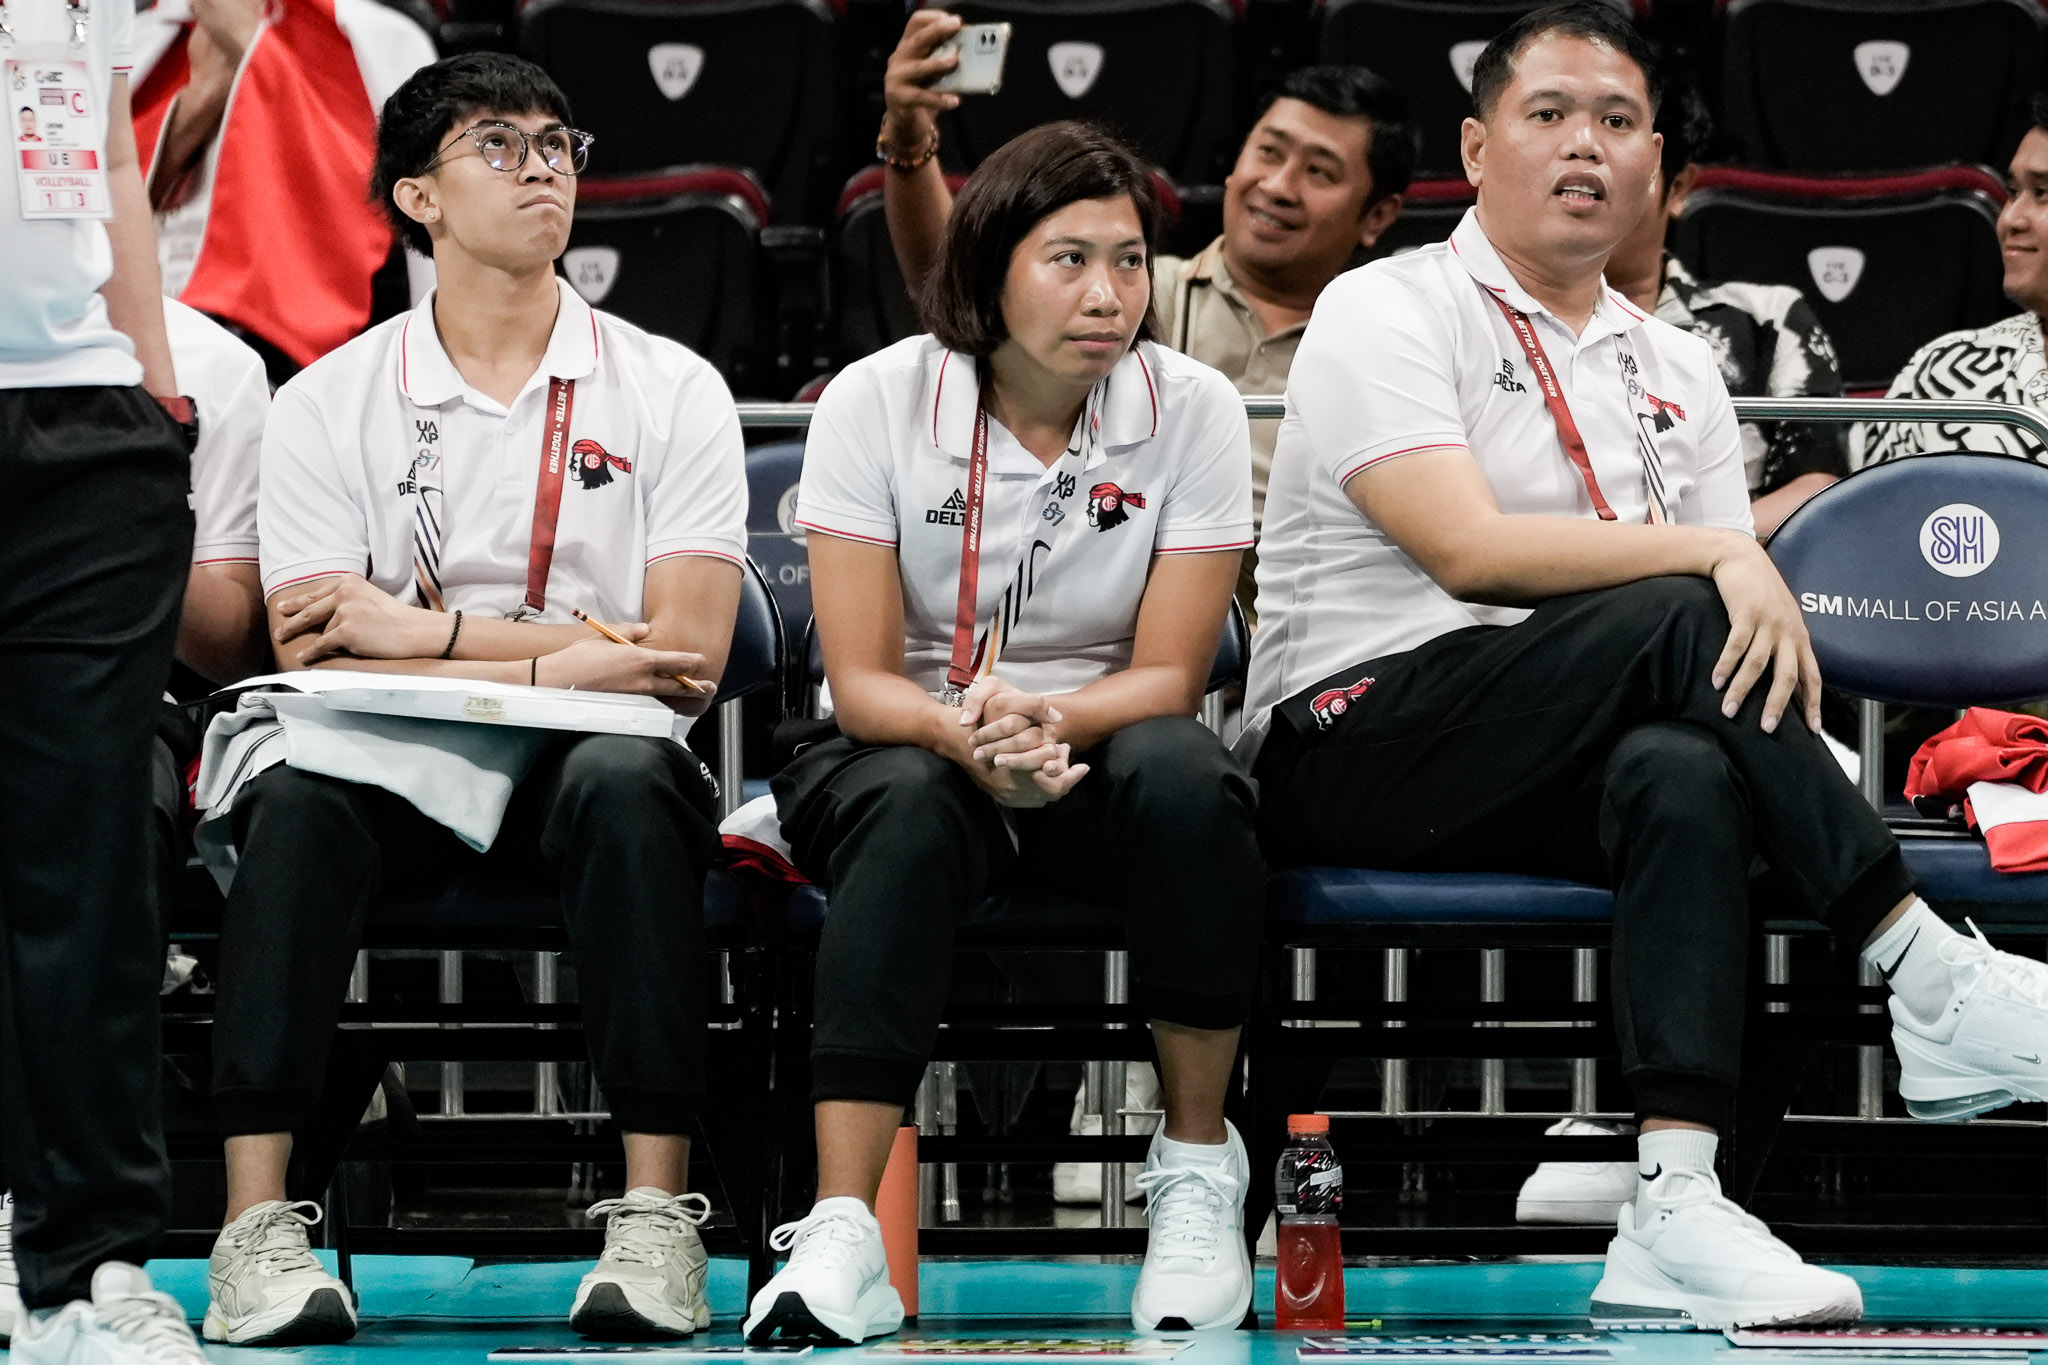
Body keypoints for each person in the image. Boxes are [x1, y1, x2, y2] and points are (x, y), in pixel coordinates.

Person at [1244, 1, 2048, 1330]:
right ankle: (1923, 966)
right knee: (1686, 604)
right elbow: (1469, 553)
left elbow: (1738, 651)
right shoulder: (1381, 308)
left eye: (1617, 122)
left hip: (1573, 751)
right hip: (1364, 737)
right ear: (1475, 144)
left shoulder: (1678, 361)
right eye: (1548, 114)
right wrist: (1723, 559)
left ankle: (1674, 1199)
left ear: (1657, 165)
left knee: (1686, 767)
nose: (1584, 145)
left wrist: (1735, 605)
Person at [194, 53, 747, 1345]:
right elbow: (317, 650)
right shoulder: (330, 400)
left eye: (558, 141)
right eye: (500, 145)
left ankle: (655, 1215)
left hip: (596, 747)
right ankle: (255, 1227)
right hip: (381, 741)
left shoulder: (671, 388)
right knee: (295, 792)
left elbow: (686, 654)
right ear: (415, 199)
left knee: (630, 783)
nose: (544, 166)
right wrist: (570, 652)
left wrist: (423, 627)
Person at [747, 121, 1262, 1343]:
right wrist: (960, 735)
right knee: (911, 807)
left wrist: (1041, 719)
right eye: (1068, 259)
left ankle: (1194, 1171)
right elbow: (863, 680)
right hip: (896, 741)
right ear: (987, 271)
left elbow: (1172, 675)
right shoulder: (875, 399)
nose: (1107, 295)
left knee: (1192, 782)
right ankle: (842, 1229)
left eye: (1130, 262)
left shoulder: (1189, 407)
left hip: (1100, 736)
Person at [878, 9, 1415, 619]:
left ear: (1377, 215)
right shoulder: (1132, 288)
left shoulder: (1390, 339)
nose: (1278, 185)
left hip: (1318, 636)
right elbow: (962, 287)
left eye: (1318, 172)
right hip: (1136, 620)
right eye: (1267, 153)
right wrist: (908, 140)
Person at [0, 0, 206, 1356]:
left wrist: (156, 394)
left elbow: (111, 163)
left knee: (87, 861)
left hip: (84, 432)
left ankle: (95, 1264)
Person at [1599, 70, 1847, 539]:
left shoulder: (1768, 315)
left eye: (1625, 168)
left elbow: (1818, 483)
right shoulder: (1477, 314)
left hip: (1721, 581)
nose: (1594, 183)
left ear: (1677, 189)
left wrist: (1680, 552)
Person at [131, 0, 437, 374]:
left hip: (299, 344)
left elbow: (376, 194)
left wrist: (251, 49)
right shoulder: (138, 35)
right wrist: (201, 102)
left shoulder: (378, 37)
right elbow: (105, 196)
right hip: (147, 314)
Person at [1859, 93, 2048, 466]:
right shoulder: (1941, 375)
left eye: (2041, 194)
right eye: (2012, 193)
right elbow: (1872, 518)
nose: (2010, 219)